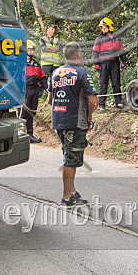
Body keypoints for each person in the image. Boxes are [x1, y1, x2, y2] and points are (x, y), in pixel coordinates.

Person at [47, 42, 98, 206]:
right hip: (75, 122)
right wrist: (89, 114)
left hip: (59, 121)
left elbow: (49, 100)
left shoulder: (55, 72)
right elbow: (94, 101)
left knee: (68, 156)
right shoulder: (82, 73)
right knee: (70, 160)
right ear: (78, 55)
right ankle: (66, 197)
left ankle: (72, 192)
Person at [92, 17, 127, 110]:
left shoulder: (117, 38)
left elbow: (121, 49)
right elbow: (95, 52)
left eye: (105, 27)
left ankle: (118, 102)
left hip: (115, 62)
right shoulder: (99, 39)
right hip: (103, 63)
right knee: (103, 84)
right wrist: (96, 63)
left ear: (110, 27)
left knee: (116, 83)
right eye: (102, 28)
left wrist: (124, 60)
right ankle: (102, 104)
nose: (103, 29)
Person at [22, 40, 46, 144]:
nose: (31, 52)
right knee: (23, 114)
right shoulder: (21, 63)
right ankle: (21, 135)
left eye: (32, 50)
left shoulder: (37, 64)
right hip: (25, 91)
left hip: (34, 91)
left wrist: (47, 88)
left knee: (31, 114)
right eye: (29, 50)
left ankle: (30, 135)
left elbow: (43, 77)